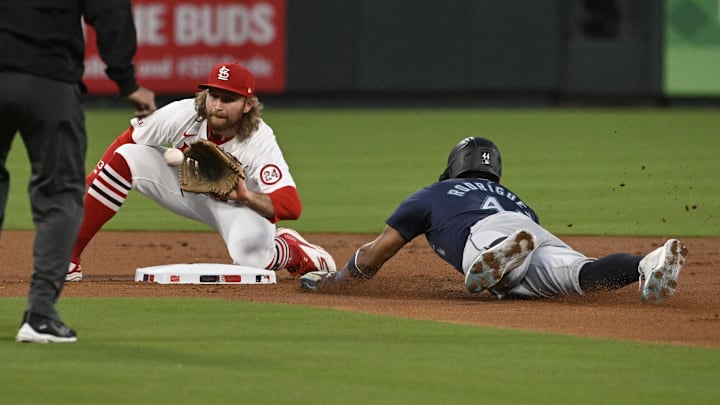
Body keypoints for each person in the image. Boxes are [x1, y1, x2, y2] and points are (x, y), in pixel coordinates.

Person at [300, 137, 688, 303]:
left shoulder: (430, 194)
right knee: (581, 274)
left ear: (451, 168)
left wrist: (337, 282)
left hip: (486, 235)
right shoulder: (517, 199)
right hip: (535, 230)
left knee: (486, 264)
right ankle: (646, 263)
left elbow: (374, 255)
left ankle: (499, 255)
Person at [65, 61, 336, 287]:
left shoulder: (258, 140)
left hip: (239, 206)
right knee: (128, 157)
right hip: (189, 188)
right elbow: (130, 138)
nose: (217, 105)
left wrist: (245, 196)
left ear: (247, 105)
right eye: (213, 95)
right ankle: (68, 258)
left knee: (252, 261)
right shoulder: (184, 113)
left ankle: (290, 249)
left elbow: (292, 205)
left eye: (228, 99)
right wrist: (89, 184)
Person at [0, 0, 157, 343]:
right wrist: (126, 80)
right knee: (59, 195)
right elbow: (110, 11)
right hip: (48, 80)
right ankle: (40, 315)